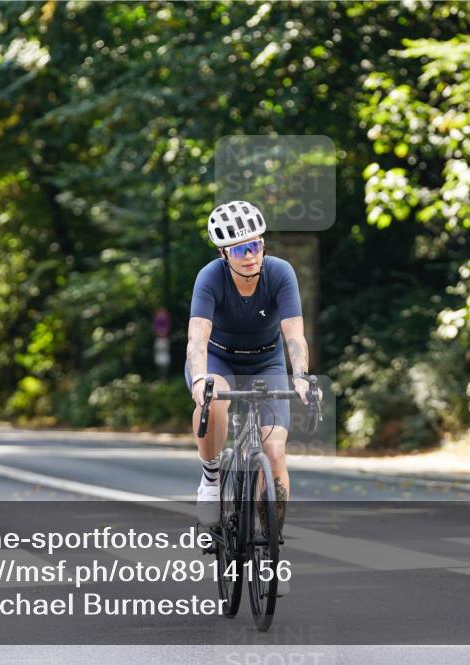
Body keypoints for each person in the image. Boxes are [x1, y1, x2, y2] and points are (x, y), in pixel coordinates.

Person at [185, 200, 316, 597]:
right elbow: (197, 338)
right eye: (241, 249)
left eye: (256, 244)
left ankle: (274, 548)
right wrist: (200, 380)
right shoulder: (209, 278)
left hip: (266, 362)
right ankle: (211, 477)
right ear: (224, 253)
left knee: (274, 452)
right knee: (215, 397)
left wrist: (301, 376)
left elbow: (294, 334)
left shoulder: (280, 273)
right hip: (219, 360)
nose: (250, 255)